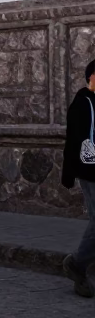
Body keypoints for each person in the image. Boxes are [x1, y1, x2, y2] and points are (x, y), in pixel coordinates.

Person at [62, 58, 95, 297]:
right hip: (91, 171)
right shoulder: (81, 103)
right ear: (90, 78)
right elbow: (72, 140)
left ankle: (79, 265)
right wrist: (68, 173)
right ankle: (77, 264)